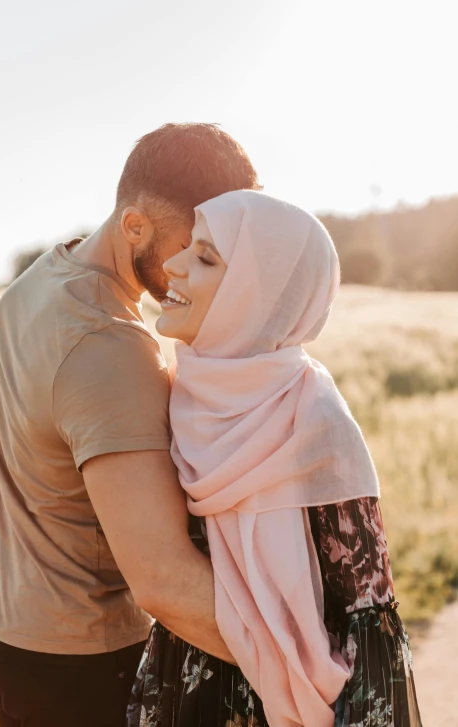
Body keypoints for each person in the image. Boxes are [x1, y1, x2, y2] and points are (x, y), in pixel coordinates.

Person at [0, 123, 261, 727]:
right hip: (82, 662)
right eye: (195, 247)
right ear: (134, 226)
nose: (202, 270)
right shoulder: (110, 347)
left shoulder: (37, 284)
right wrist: (308, 669)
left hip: (2, 628)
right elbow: (162, 582)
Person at [128, 190, 422, 727]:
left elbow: (367, 615)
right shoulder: (174, 398)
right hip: (185, 698)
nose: (172, 265)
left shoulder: (314, 420)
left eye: (205, 257)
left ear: (254, 293)